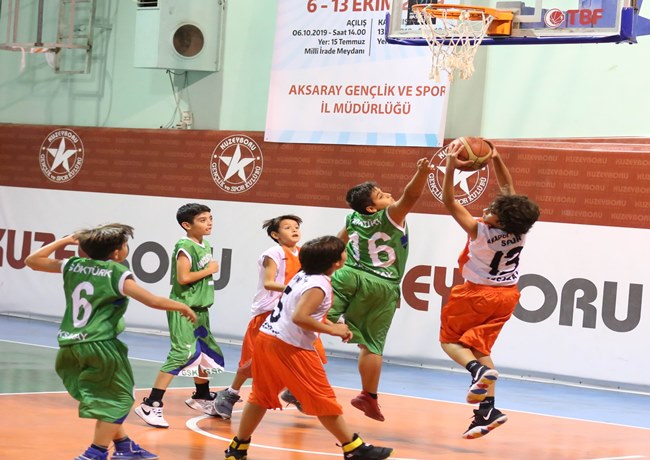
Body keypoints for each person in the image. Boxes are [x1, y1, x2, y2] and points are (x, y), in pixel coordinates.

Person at [24, 223, 197, 460]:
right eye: (125, 245)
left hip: (69, 345)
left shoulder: (74, 265)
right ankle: (95, 453)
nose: (126, 249)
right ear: (117, 252)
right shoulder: (117, 273)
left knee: (106, 397)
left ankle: (124, 446)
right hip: (100, 345)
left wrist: (65, 241)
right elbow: (153, 301)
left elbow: (33, 260)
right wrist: (182, 306)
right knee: (120, 399)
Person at [224, 236, 393, 460]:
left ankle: (238, 448)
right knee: (321, 397)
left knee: (260, 396)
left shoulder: (303, 275)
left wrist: (333, 324)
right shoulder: (319, 284)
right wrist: (334, 331)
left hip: (267, 339)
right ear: (337, 262)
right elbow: (300, 317)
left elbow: (303, 312)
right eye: (344, 251)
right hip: (289, 346)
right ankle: (353, 448)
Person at [440, 139, 540, 439]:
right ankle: (487, 411)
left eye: (493, 208)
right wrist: (496, 158)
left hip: (476, 294)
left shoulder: (478, 230)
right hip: (507, 296)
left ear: (498, 218)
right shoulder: (519, 231)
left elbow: (448, 200)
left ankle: (475, 371)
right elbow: (509, 190)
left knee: (449, 342)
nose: (488, 206)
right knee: (482, 348)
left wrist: (449, 168)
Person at [326, 157, 435, 422]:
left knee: (311, 322)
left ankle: (299, 375)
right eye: (381, 195)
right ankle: (368, 396)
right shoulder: (392, 215)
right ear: (373, 208)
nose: (388, 194)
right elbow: (412, 194)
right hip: (381, 285)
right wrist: (421, 172)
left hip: (347, 275)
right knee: (371, 345)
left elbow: (336, 243)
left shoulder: (352, 216)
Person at [135, 203, 225, 428]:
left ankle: (202, 396)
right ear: (187, 225)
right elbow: (183, 277)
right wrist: (210, 270)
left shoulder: (205, 244)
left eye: (210, 218)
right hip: (184, 308)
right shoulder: (184, 245)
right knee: (181, 353)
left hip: (201, 309)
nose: (209, 223)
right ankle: (151, 403)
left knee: (204, 352)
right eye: (203, 220)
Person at [213, 214, 305, 419]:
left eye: (296, 226)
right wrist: (298, 289)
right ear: (275, 234)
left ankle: (293, 389)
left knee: (306, 354)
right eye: (288, 227)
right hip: (268, 313)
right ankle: (230, 393)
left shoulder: (303, 253)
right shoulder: (273, 253)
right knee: (257, 361)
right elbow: (269, 283)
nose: (294, 229)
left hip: (292, 314)